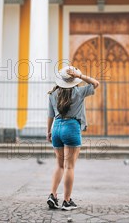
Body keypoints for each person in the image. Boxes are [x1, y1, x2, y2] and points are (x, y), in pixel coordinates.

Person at [46, 65, 100, 211]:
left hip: (56, 127)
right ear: (73, 80)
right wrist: (80, 76)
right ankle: (67, 201)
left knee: (59, 165)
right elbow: (96, 83)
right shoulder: (79, 91)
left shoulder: (52, 94)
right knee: (69, 166)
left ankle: (52, 195)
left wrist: (48, 132)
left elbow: (50, 115)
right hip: (71, 127)